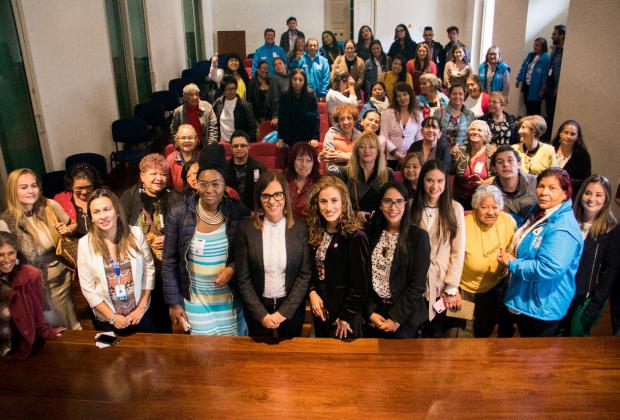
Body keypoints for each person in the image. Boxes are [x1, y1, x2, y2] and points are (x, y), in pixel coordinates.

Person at [163, 143, 251, 335]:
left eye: (215, 184)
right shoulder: (179, 213)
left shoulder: (238, 212)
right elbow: (169, 260)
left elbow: (247, 254)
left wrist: (232, 268)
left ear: (225, 185)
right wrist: (174, 302)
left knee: (231, 353)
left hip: (229, 301)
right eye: (203, 184)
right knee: (203, 355)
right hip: (196, 300)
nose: (209, 190)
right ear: (196, 184)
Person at [499, 168, 583, 337]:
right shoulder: (539, 210)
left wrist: (512, 263)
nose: (544, 192)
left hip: (542, 306)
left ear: (565, 193)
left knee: (534, 359)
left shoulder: (562, 228)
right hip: (526, 297)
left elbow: (549, 268)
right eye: (541, 186)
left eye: (552, 188)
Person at [0, 169, 80, 330]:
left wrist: (67, 229)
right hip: (34, 286)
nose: (31, 190)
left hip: (61, 278)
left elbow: (72, 224)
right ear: (13, 191)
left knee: (70, 321)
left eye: (33, 185)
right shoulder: (6, 222)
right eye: (23, 187)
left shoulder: (49, 205)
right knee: (48, 327)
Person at [235, 171, 312, 338]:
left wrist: (283, 312)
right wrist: (261, 314)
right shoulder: (245, 229)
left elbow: (305, 274)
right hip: (257, 310)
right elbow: (243, 277)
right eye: (266, 196)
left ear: (285, 196)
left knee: (290, 358)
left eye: (277, 194)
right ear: (259, 200)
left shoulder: (300, 228)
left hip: (290, 309)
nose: (272, 201)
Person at [78, 189, 157, 334]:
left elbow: (149, 271)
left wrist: (141, 307)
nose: (103, 216)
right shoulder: (84, 244)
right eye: (96, 212)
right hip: (107, 320)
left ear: (117, 211)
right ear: (92, 218)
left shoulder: (136, 234)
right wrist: (112, 317)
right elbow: (87, 287)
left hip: (140, 314)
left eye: (107, 209)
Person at [120, 154, 182, 332]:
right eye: (153, 174)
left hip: (165, 268)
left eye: (163, 174)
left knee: (163, 312)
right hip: (138, 265)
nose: (159, 178)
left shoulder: (176, 197)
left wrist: (170, 238)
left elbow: (186, 231)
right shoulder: (130, 196)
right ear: (142, 176)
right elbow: (121, 228)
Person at [446, 185, 516, 337]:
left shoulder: (508, 222)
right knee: (458, 334)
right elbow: (449, 257)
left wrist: (510, 258)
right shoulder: (463, 224)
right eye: (484, 207)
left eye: (495, 207)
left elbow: (512, 249)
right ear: (476, 207)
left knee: (484, 331)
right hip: (464, 290)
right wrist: (452, 289)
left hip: (494, 288)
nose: (490, 212)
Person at [365, 182, 431, 338]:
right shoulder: (369, 232)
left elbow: (417, 285)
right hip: (375, 313)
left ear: (406, 204)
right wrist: (369, 311)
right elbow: (360, 276)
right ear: (380, 205)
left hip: (404, 317)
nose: (393, 207)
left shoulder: (418, 237)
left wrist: (396, 319)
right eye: (387, 201)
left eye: (399, 201)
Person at [307, 176, 369, 338]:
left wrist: (346, 317)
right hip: (321, 311)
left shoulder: (355, 236)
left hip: (345, 319)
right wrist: (312, 291)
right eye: (323, 201)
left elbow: (360, 287)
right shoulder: (316, 231)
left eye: (334, 200)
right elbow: (312, 271)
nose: (329, 207)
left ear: (344, 202)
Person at [558, 175, 620, 336]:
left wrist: (596, 303)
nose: (592, 199)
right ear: (581, 195)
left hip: (585, 299)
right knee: (557, 339)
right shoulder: (568, 221)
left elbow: (610, 271)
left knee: (576, 340)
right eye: (588, 193)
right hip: (561, 293)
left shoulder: (612, 229)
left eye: (598, 195)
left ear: (606, 199)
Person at [410, 160, 465, 337]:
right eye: (429, 180)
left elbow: (458, 250)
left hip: (441, 282)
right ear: (422, 181)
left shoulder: (455, 208)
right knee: (411, 332)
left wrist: (451, 287)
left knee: (434, 334)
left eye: (440, 181)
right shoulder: (410, 206)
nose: (435, 186)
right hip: (413, 281)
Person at [0, 231, 65, 358]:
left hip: (19, 346)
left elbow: (37, 311)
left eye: (11, 253)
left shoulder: (30, 275)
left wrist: (47, 332)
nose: (7, 260)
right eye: (1, 255)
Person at [332, 132, 393, 223]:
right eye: (362, 147)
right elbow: (337, 202)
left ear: (378, 151)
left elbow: (393, 202)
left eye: (371, 147)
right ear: (356, 150)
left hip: (381, 224)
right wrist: (355, 214)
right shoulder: (345, 173)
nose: (366, 151)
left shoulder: (387, 173)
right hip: (352, 225)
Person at [451, 120, 494, 210]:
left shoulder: (492, 153)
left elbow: (498, 177)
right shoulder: (460, 150)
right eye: (473, 129)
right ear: (468, 133)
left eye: (479, 130)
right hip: (460, 199)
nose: (475, 132)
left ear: (486, 135)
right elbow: (451, 172)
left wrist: (483, 183)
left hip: (482, 199)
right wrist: (453, 159)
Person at [490, 145, 538, 226]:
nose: (505, 164)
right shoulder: (491, 193)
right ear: (494, 168)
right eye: (500, 162)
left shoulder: (537, 182)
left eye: (510, 160)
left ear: (519, 164)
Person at [380, 82, 423, 169]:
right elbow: (384, 137)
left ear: (410, 95)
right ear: (395, 98)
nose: (402, 98)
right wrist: (396, 153)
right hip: (391, 158)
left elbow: (419, 137)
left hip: (411, 157)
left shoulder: (418, 115)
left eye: (405, 94)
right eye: (398, 96)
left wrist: (410, 154)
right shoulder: (387, 113)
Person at [53, 163, 102, 238]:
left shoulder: (102, 197)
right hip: (73, 243)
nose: (84, 192)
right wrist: (64, 229)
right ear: (71, 185)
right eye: (79, 188)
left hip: (100, 239)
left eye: (88, 187)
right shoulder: (60, 200)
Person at [277, 69, 319, 148]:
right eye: (295, 79)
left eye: (300, 80)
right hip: (290, 132)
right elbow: (282, 117)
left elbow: (315, 118)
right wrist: (281, 138)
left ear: (304, 81)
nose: (297, 82)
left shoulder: (311, 94)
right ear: (291, 80)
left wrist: (314, 138)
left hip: (307, 132)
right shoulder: (284, 94)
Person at [223, 130, 266, 210]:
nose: (239, 148)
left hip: (253, 212)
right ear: (231, 147)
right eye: (235, 146)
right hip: (230, 212)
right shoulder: (223, 168)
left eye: (243, 145)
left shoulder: (259, 168)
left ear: (249, 146)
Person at [552, 120, 591, 196]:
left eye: (572, 134)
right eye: (566, 132)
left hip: (568, 195)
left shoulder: (582, 155)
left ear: (577, 137)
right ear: (560, 134)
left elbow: (585, 180)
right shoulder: (551, 149)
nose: (568, 136)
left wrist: (565, 181)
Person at [212, 77, 257, 142]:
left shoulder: (245, 105)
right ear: (223, 91)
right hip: (222, 142)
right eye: (229, 89)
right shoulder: (218, 103)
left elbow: (252, 127)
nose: (232, 91)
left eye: (234, 88)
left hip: (238, 143)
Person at [322, 103, 361, 173]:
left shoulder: (360, 135)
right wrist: (355, 159)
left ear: (354, 120)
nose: (346, 122)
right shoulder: (330, 135)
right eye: (342, 119)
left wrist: (342, 156)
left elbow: (364, 159)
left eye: (349, 118)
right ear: (338, 122)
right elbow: (330, 167)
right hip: (337, 179)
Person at [516, 38, 550, 116]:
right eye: (534, 45)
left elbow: (545, 75)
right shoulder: (531, 55)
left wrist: (543, 88)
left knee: (534, 107)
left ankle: (535, 125)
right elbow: (524, 67)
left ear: (543, 46)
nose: (535, 47)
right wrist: (519, 79)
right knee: (527, 105)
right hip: (527, 85)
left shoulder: (546, 58)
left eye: (537, 45)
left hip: (536, 87)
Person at [286, 142, 320, 219]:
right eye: (300, 159)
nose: (304, 164)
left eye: (308, 160)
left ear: (314, 164)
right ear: (293, 161)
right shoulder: (283, 182)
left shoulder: (319, 185)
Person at [543, 24, 566, 138]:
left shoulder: (565, 52)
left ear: (562, 36)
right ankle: (548, 134)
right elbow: (550, 68)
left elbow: (562, 71)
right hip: (549, 85)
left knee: (553, 112)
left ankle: (552, 135)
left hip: (556, 86)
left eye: (554, 34)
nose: (552, 36)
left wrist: (558, 87)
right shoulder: (554, 50)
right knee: (548, 110)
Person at [166, 124, 200, 193]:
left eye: (190, 138)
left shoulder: (203, 157)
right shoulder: (170, 159)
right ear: (177, 141)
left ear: (196, 140)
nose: (187, 141)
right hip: (178, 199)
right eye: (183, 138)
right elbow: (167, 184)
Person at [266, 57, 290, 129]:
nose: (278, 66)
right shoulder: (275, 79)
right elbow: (275, 98)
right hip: (281, 113)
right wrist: (275, 115)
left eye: (280, 63)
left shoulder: (292, 76)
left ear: (285, 65)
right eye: (275, 65)